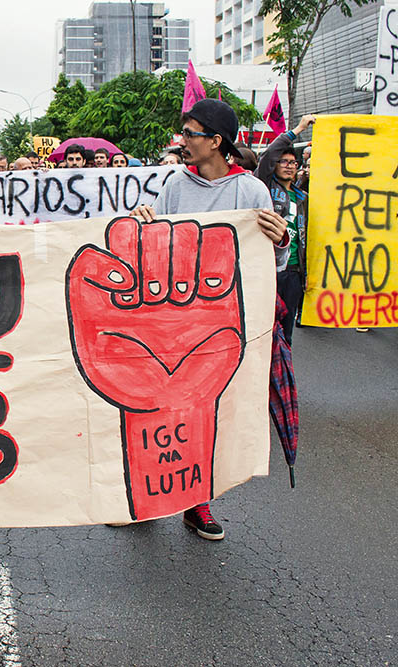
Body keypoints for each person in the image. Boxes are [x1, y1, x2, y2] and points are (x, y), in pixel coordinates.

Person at [131, 98, 288, 542]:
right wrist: (144, 221)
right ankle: (145, 499)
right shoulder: (174, 186)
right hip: (168, 318)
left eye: (191, 134)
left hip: (219, 321)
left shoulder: (251, 191)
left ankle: (196, 503)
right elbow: (153, 244)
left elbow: (269, 262)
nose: (182, 142)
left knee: (204, 412)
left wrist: (280, 242)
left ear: (216, 142)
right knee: (155, 409)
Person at [255, 114, 314, 344]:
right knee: (264, 328)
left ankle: (282, 374)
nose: (289, 167)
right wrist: (298, 129)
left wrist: (305, 273)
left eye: (293, 163)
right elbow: (269, 154)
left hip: (292, 273)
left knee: (286, 332)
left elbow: (305, 238)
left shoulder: (302, 198)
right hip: (268, 267)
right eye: (284, 162)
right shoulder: (265, 186)